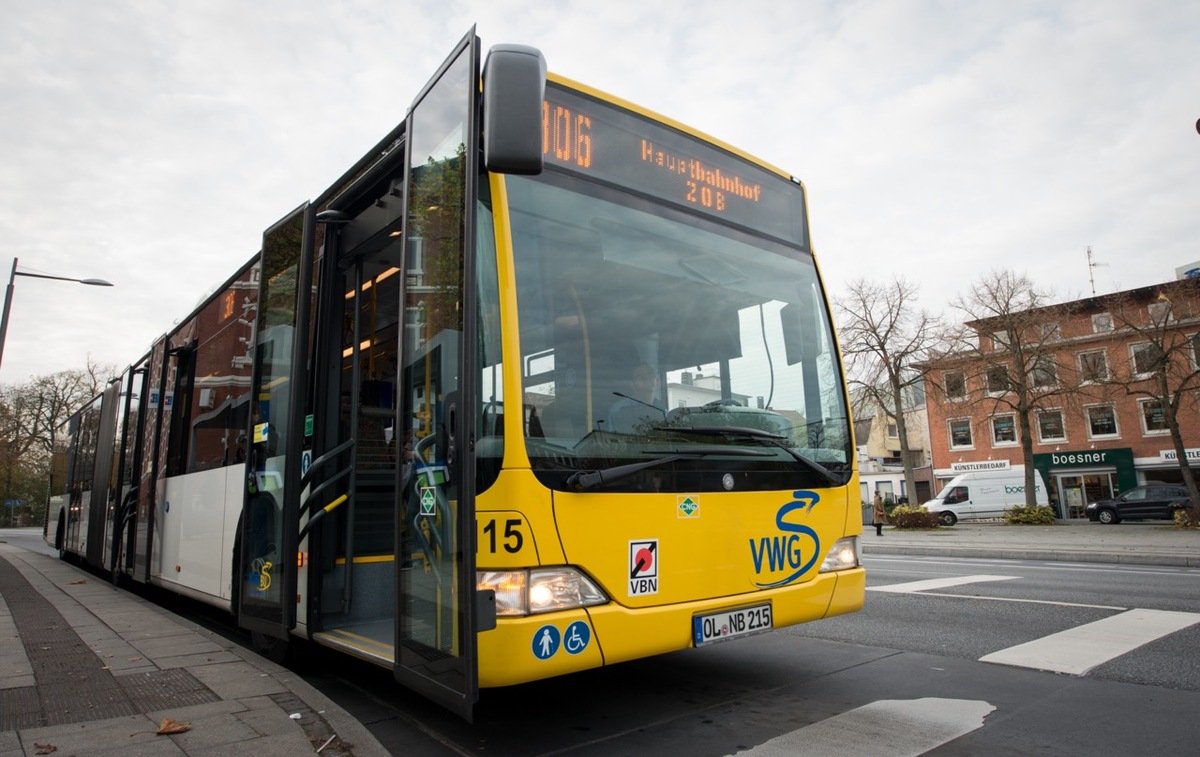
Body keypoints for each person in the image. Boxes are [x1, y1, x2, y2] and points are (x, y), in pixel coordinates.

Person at [606, 362, 662, 433]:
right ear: (632, 384)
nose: (646, 378)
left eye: (649, 374)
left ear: (657, 382)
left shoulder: (663, 411)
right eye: (639, 375)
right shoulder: (618, 409)